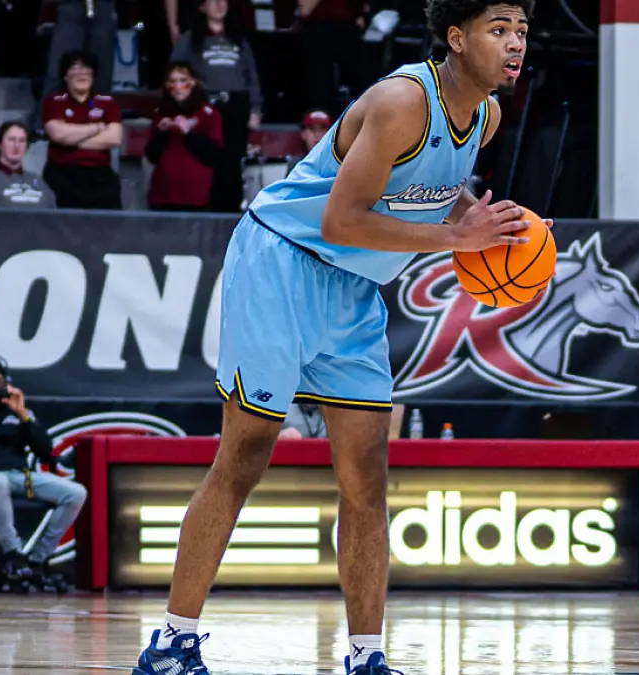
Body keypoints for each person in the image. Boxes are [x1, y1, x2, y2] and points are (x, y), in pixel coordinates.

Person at [131, 1, 535, 673]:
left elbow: (432, 189)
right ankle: (171, 645)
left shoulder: (486, 117)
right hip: (282, 261)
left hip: (352, 289)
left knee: (367, 476)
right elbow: (341, 220)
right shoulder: (402, 102)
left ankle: (366, 657)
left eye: (521, 31)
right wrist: (456, 241)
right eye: (499, 30)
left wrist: (487, 222)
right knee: (245, 455)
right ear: (457, 39)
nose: (516, 43)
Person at [0, 355, 88, 582]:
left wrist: (22, 414)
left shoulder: (17, 411)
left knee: (76, 493)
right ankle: (13, 553)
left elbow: (45, 451)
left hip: (19, 475)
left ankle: (38, 558)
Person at [170, 0, 263, 213]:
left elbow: (252, 76)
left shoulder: (238, 39)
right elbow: (176, 72)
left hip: (237, 104)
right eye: (212, 1)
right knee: (208, 161)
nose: (219, 5)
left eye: (223, 0)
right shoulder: (190, 39)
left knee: (232, 164)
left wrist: (255, 109)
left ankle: (230, 214)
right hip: (206, 105)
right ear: (202, 6)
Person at [41, 50, 124, 209]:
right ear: (65, 76)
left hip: (100, 176)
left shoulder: (107, 102)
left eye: (87, 69)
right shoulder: (54, 101)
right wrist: (96, 128)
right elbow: (58, 134)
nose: (82, 73)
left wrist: (71, 140)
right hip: (63, 174)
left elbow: (114, 138)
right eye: (75, 68)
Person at [145, 61, 223, 211]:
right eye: (172, 82)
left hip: (196, 197)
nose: (178, 87)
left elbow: (214, 155)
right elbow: (152, 155)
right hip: (162, 195)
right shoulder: (161, 113)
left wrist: (188, 133)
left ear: (193, 82)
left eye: (183, 81)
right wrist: (163, 133)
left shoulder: (209, 114)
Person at [286, 108, 333, 175]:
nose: (318, 135)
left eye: (323, 129)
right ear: (303, 134)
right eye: (312, 129)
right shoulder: (295, 165)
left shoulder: (338, 163)